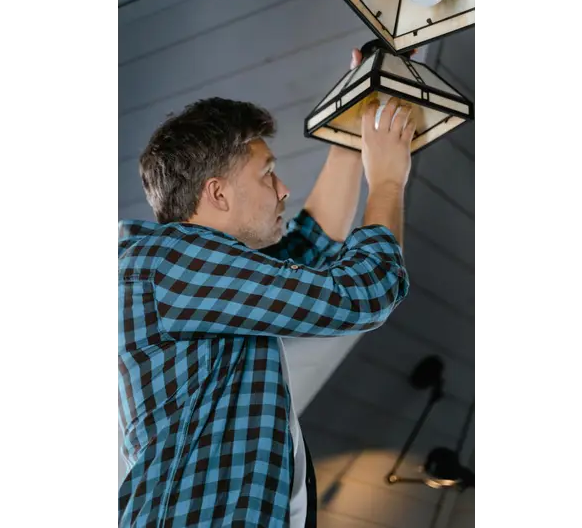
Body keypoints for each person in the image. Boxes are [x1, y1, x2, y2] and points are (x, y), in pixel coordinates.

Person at [118, 48, 415, 527]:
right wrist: (387, 181)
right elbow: (361, 293)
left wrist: (352, 117)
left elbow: (313, 242)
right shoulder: (166, 262)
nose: (282, 189)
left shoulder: (200, 281)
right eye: (267, 173)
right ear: (217, 193)